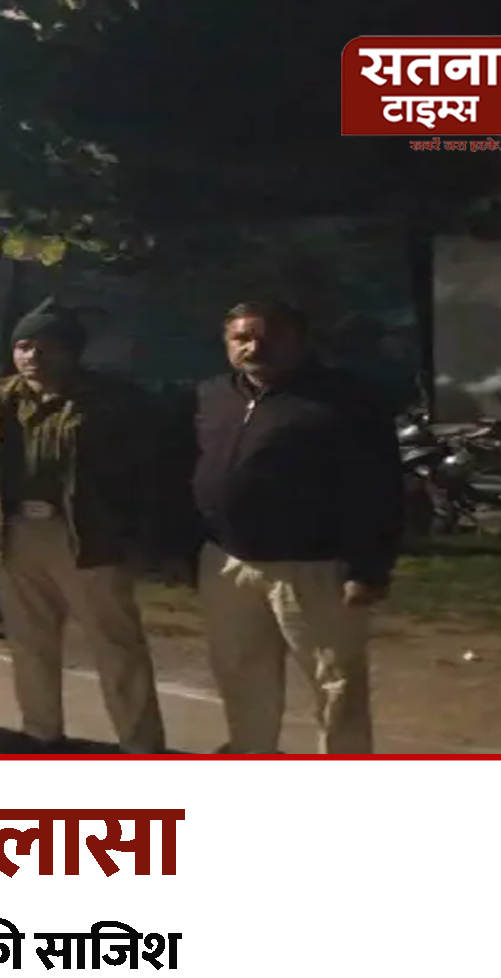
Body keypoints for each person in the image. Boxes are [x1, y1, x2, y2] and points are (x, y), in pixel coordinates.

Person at [0, 298, 167, 754]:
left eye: (46, 346)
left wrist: (138, 534)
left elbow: (145, 470)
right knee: (30, 642)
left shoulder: (112, 401)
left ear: (72, 351)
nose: (33, 356)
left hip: (87, 533)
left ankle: (141, 744)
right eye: (24, 346)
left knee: (115, 644)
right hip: (12, 534)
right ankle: (41, 734)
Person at [191, 300, 404, 754]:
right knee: (240, 675)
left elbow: (379, 486)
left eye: (270, 337)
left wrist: (368, 568)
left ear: (300, 341)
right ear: (226, 343)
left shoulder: (345, 399)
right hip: (229, 563)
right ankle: (252, 753)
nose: (255, 348)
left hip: (314, 567)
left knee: (335, 684)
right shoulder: (214, 395)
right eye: (242, 338)